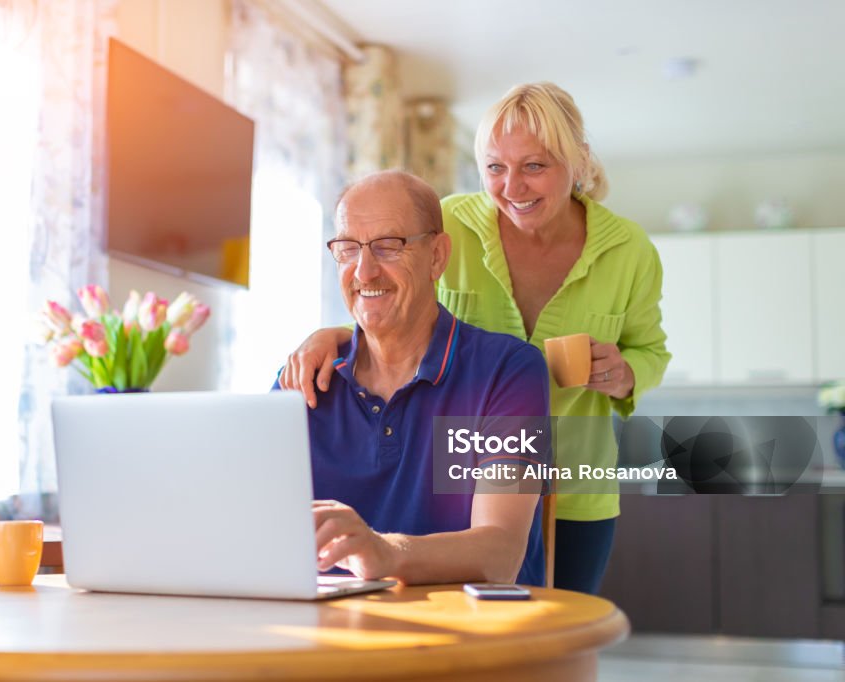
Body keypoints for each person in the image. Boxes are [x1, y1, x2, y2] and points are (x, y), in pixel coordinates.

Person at [280, 83, 671, 594]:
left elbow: (652, 350)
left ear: (578, 161)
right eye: (495, 168)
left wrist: (626, 373)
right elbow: (391, 296)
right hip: (458, 476)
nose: (513, 187)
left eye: (535, 166)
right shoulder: (455, 225)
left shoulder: (629, 251)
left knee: (558, 642)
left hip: (573, 483)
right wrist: (333, 335)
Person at [274, 170, 550, 586]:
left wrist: (384, 552)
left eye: (388, 247)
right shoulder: (303, 379)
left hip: (467, 638)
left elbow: (501, 553)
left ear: (437, 257)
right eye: (348, 249)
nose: (364, 272)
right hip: (320, 635)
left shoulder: (508, 372)